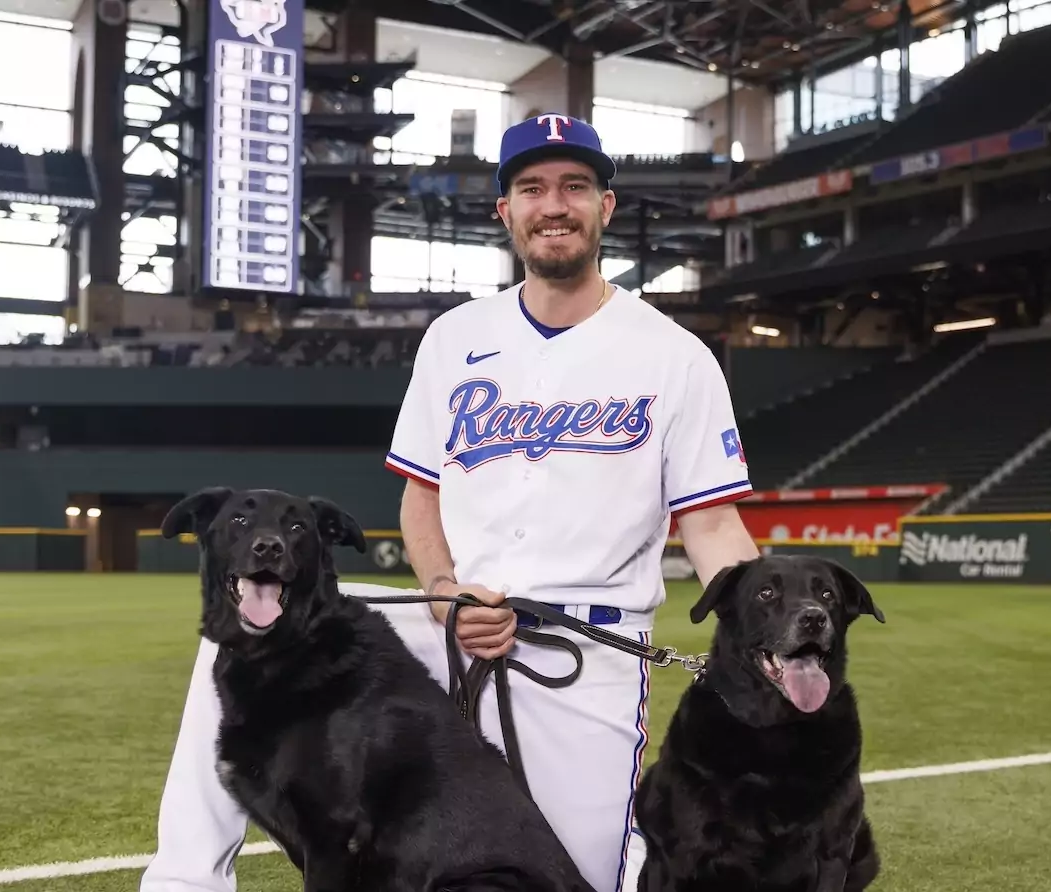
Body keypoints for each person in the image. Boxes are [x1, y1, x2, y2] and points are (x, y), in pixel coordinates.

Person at [137, 113, 761, 892]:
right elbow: (421, 500)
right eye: (531, 188)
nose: (553, 204)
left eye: (574, 186)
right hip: (444, 623)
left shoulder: (676, 357)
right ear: (506, 212)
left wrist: (760, 624)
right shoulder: (455, 337)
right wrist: (441, 592)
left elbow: (710, 523)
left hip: (582, 650)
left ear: (606, 204)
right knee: (238, 630)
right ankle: (185, 882)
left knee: (576, 878)